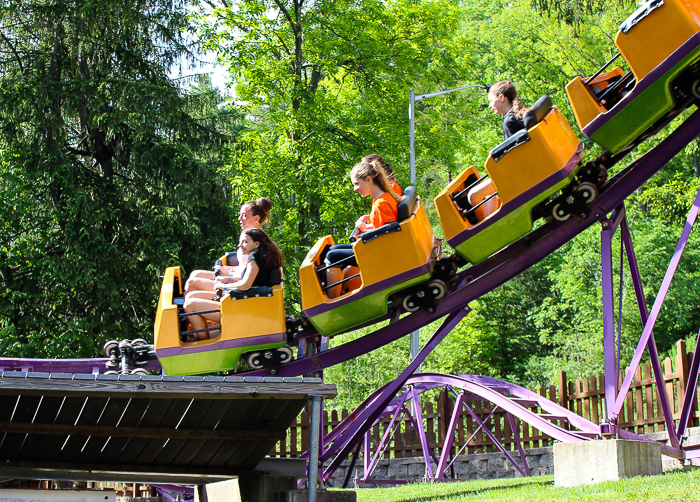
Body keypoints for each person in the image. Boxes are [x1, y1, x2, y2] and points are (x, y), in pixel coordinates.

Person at [182, 227, 284, 341]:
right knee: (191, 296)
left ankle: (204, 343)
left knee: (189, 305)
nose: (240, 245)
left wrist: (224, 286)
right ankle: (201, 333)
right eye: (240, 242)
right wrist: (229, 280)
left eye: (245, 242)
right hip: (243, 302)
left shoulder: (254, 257)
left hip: (240, 307)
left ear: (256, 244)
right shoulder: (263, 257)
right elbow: (254, 280)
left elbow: (246, 285)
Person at [323, 159, 404, 297]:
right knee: (332, 249)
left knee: (332, 257)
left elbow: (388, 233)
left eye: (356, 184)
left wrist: (363, 236)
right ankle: (342, 288)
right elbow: (381, 226)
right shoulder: (380, 198)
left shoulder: (381, 203)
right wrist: (365, 229)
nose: (355, 188)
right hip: (378, 247)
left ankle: (332, 300)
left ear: (368, 180)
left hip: (380, 253)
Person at [184, 197, 273, 294]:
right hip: (234, 278)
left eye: (244, 216)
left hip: (238, 285)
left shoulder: (257, 243)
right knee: (195, 274)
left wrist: (229, 278)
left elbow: (253, 273)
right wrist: (229, 270)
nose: (239, 218)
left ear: (256, 218)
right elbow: (245, 266)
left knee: (192, 283)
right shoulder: (248, 237)